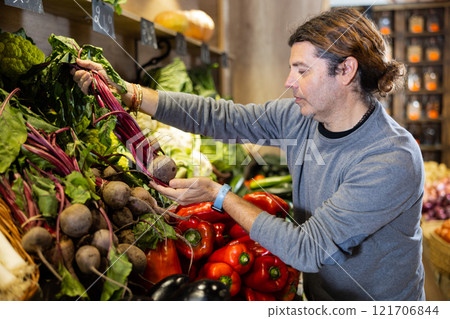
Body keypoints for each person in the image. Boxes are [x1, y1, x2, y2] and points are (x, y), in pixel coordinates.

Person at [73, 8, 425, 301]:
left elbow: (308, 248)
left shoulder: (390, 157)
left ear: (346, 70)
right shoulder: (302, 116)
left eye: (302, 70)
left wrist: (220, 196)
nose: (289, 81)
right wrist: (129, 93)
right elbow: (223, 117)